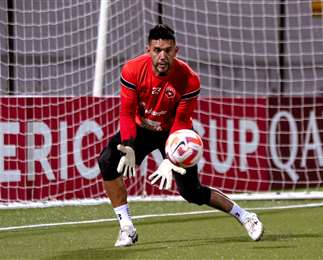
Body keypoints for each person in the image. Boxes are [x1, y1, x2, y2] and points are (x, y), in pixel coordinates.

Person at [98, 24, 264, 247]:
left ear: (176, 51)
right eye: (157, 50)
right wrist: (128, 145)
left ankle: (245, 216)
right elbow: (126, 113)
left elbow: (182, 120)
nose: (162, 56)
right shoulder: (132, 70)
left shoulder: (189, 78)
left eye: (168, 50)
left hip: (174, 133)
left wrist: (170, 159)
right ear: (148, 50)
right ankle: (127, 228)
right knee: (108, 162)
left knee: (191, 192)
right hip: (141, 130)